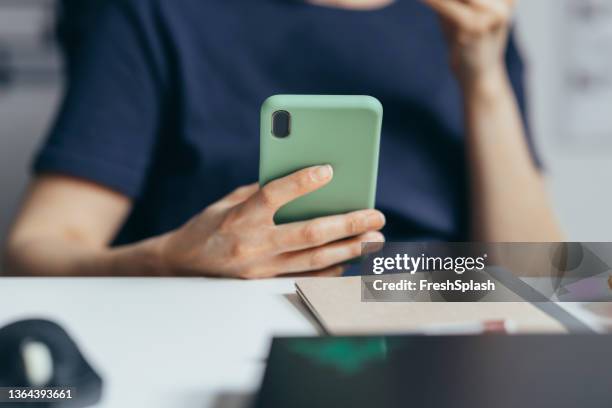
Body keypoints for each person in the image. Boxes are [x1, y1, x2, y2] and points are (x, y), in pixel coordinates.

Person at [3, 0, 562, 278]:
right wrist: (169, 258)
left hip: (431, 306)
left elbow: (537, 276)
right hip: (227, 313)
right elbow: (36, 247)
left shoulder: (477, 27)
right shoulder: (155, 13)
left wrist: (484, 78)